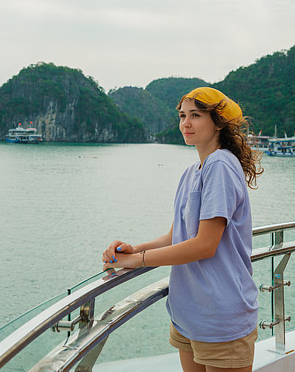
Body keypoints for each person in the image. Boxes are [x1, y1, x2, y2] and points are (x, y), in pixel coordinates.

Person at [102, 86, 262, 372]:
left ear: (218, 122)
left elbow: (204, 245)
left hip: (220, 317)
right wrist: (135, 248)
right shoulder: (193, 172)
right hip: (190, 313)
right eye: (182, 115)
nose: (185, 123)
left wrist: (135, 262)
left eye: (196, 115)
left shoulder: (221, 165)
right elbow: (175, 236)